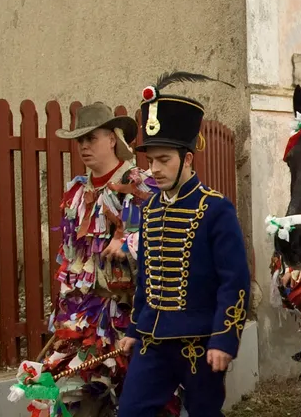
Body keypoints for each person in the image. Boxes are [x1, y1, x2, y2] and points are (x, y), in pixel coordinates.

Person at [117, 75, 250, 417]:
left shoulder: (216, 208)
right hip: (152, 339)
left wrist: (224, 338)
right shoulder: (150, 209)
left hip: (199, 342)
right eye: (150, 160)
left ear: (188, 159)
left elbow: (233, 281)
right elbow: (145, 279)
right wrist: (134, 328)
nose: (154, 169)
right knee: (130, 411)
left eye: (164, 159)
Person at [43, 103, 154, 416]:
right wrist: (65, 311)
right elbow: (71, 259)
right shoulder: (76, 194)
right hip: (84, 323)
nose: (84, 146)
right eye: (80, 140)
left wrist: (129, 240)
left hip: (131, 320)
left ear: (113, 138)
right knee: (81, 403)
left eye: (91, 138)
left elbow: (156, 245)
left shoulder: (137, 184)